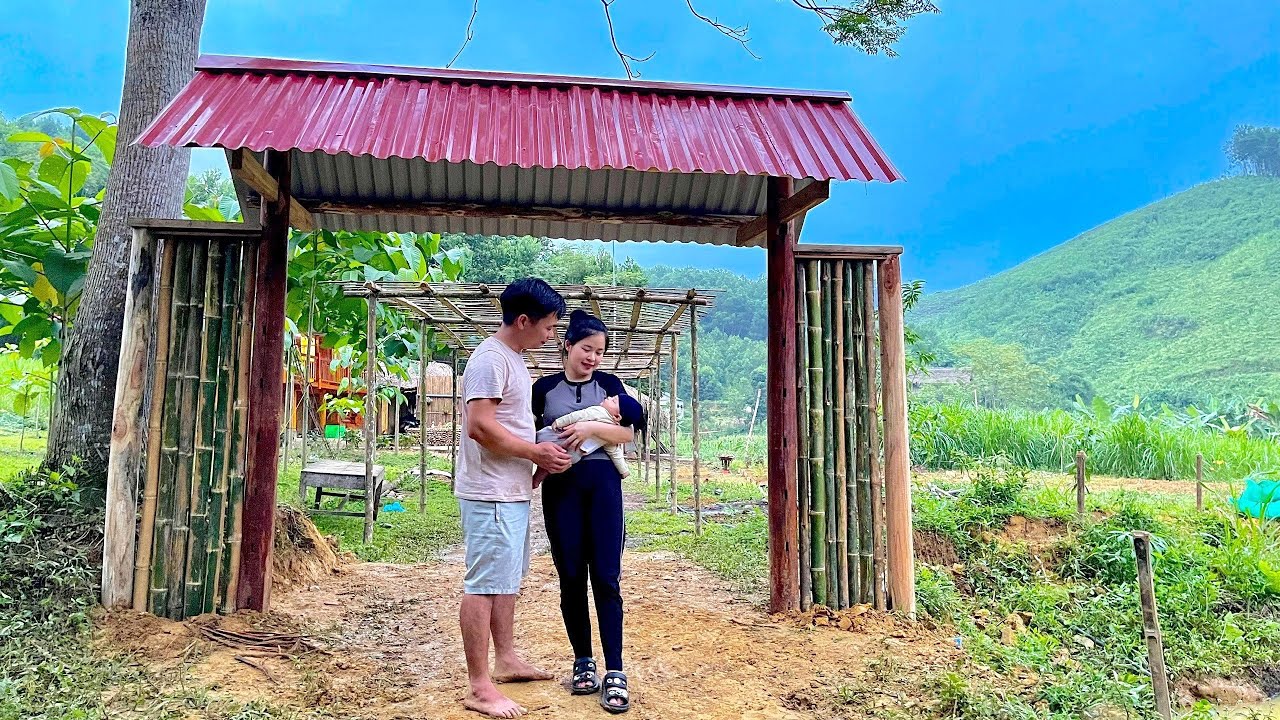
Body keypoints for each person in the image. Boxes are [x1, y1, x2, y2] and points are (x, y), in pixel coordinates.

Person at [455, 278, 572, 719]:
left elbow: (509, 426)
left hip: (510, 488)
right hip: (489, 492)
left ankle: (505, 659)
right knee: (484, 584)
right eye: (547, 327)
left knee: (505, 579)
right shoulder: (489, 360)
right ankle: (479, 686)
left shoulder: (513, 359)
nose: (550, 336)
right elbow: (480, 427)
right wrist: (534, 452)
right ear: (522, 320)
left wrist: (541, 456)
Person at [532, 309, 644, 714]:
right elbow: (530, 437)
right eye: (586, 348)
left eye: (599, 351)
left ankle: (615, 669)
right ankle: (583, 660)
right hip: (561, 489)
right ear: (567, 345)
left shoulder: (611, 386)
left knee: (607, 577)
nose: (593, 358)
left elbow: (629, 432)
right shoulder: (542, 389)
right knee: (571, 576)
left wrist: (592, 429)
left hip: (603, 489)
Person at [532, 393, 645, 486]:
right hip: (573, 455)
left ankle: (527, 454)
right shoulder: (610, 434)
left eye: (613, 401)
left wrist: (560, 422)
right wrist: (623, 470)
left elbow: (577, 416)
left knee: (536, 440)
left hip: (559, 438)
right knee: (549, 466)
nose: (609, 397)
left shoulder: (598, 411)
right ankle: (537, 480)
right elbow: (614, 451)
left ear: (617, 417)